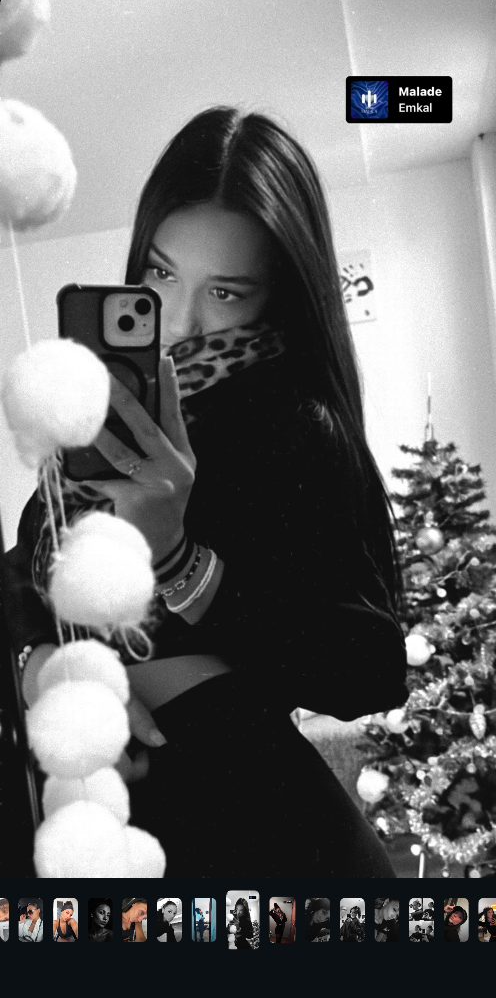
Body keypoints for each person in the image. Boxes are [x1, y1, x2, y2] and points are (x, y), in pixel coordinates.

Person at [6, 106, 408, 880]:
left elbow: (369, 669)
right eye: (161, 274)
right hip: (89, 817)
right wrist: (47, 670)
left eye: (225, 292)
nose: (180, 324)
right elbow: (20, 581)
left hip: (245, 834)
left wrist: (180, 561)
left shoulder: (293, 424)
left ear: (276, 296)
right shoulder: (99, 424)